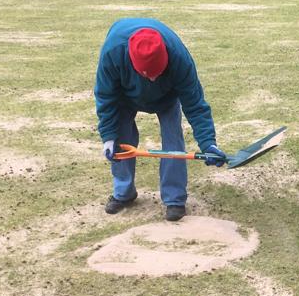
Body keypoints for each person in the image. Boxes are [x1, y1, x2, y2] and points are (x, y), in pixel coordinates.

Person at [94, 18, 227, 220]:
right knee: (121, 139)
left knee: (173, 140)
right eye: (148, 75)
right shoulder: (113, 52)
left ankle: (174, 199)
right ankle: (123, 193)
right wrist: (108, 137)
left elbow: (195, 104)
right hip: (125, 95)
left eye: (158, 73)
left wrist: (209, 144)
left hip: (167, 97)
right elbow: (105, 96)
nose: (153, 79)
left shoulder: (179, 57)